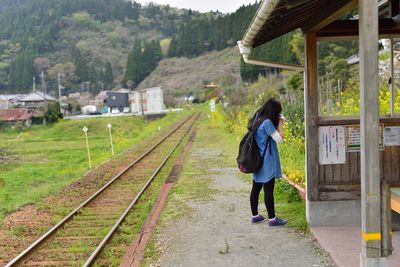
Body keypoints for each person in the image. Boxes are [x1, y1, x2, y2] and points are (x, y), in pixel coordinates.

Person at [248, 98, 288, 227]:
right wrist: (281, 124)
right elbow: (280, 139)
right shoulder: (266, 123)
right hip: (267, 162)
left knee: (256, 188)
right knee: (268, 190)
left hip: (256, 160)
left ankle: (255, 216)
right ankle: (272, 220)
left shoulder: (257, 118)